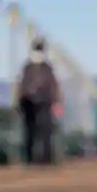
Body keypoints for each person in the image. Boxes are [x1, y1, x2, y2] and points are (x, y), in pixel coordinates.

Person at [17, 37, 62, 165]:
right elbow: (22, 85)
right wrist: (20, 102)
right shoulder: (28, 68)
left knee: (46, 131)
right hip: (28, 103)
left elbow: (53, 85)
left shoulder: (46, 68)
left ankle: (46, 158)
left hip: (45, 103)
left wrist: (57, 102)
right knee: (30, 131)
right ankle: (30, 158)